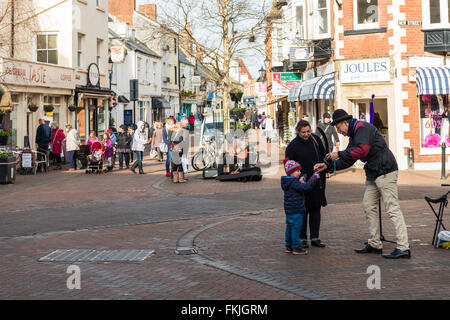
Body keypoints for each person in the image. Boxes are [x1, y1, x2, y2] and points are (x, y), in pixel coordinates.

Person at [314, 109, 411, 259]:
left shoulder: (362, 128)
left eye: (339, 128)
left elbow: (361, 150)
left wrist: (338, 154)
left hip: (385, 170)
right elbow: (349, 159)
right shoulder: (354, 134)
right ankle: (375, 243)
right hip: (374, 172)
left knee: (392, 208)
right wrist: (328, 166)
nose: (339, 132)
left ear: (345, 123)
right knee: (368, 205)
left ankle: (404, 247)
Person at [285, 120, 327, 249]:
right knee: (302, 211)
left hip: (316, 181)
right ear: (298, 131)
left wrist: (324, 168)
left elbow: (324, 157)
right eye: (303, 132)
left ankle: (315, 237)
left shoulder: (315, 140)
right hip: (301, 184)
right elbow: (288, 165)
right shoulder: (292, 146)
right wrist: (296, 178)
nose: (306, 134)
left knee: (315, 209)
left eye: (308, 131)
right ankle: (302, 238)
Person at [282, 158, 321, 255]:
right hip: (296, 210)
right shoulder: (294, 183)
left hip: (289, 210)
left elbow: (297, 185)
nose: (300, 172)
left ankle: (288, 246)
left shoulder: (288, 182)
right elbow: (306, 187)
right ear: (291, 172)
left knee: (289, 228)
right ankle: (296, 248)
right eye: (297, 171)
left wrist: (301, 180)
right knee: (296, 229)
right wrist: (314, 177)